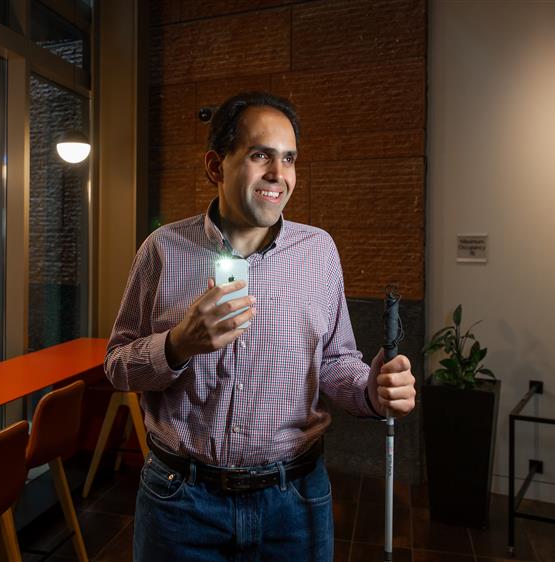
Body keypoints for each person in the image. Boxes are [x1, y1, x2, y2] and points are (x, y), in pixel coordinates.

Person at [105, 91, 417, 561]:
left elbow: (334, 362)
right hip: (180, 503)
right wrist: (177, 345)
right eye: (260, 155)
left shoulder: (318, 252)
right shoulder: (162, 250)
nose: (279, 175)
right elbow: (117, 365)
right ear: (216, 166)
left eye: (289, 159)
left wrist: (373, 390)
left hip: (293, 502)